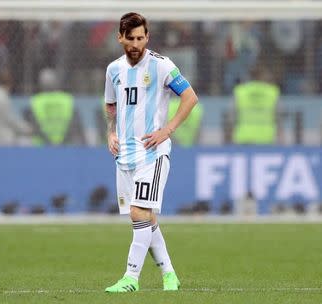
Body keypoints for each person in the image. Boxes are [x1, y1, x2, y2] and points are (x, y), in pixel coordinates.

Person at [104, 13, 198, 293]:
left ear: (147, 37)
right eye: (130, 38)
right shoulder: (113, 70)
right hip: (124, 156)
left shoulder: (160, 66)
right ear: (120, 37)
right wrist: (111, 132)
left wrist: (166, 130)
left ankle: (131, 278)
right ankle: (170, 275)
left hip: (152, 154)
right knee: (148, 218)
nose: (135, 43)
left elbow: (190, 97)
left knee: (138, 212)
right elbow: (111, 105)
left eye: (140, 37)